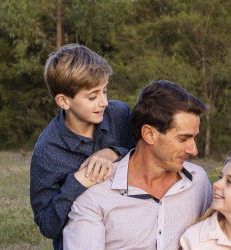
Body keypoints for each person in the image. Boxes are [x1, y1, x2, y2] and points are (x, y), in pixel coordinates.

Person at [63, 80, 213, 250]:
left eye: (194, 138)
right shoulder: (96, 194)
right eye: (183, 139)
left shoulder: (198, 182)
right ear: (149, 134)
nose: (194, 150)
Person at [29, 44, 135, 250]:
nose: (104, 102)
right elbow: (47, 226)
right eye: (93, 96)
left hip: (129, 234)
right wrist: (77, 182)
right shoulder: (46, 152)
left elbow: (145, 155)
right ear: (63, 101)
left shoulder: (120, 114)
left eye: (105, 91)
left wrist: (112, 152)